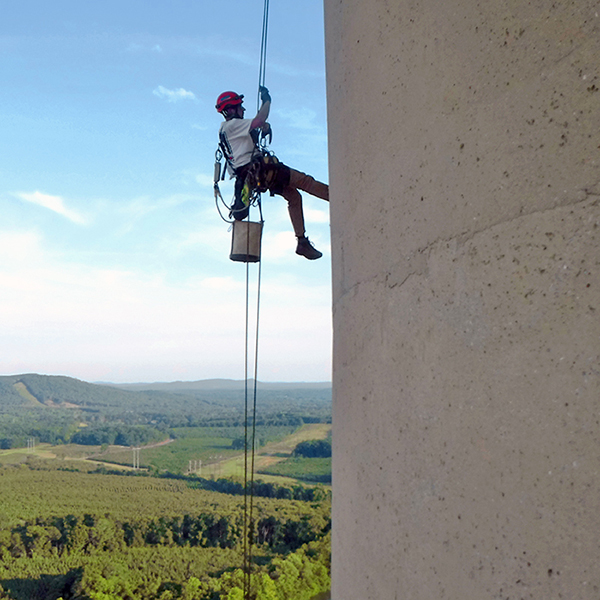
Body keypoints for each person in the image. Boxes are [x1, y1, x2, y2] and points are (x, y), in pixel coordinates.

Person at [216, 86, 329, 260]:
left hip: (253, 176)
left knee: (294, 197)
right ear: (231, 109)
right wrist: (267, 100)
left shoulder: (226, 130)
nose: (243, 109)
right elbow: (260, 118)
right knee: (305, 182)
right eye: (240, 107)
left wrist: (261, 127)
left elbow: (248, 137)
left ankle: (302, 241)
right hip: (261, 170)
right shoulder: (232, 125)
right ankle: (337, 198)